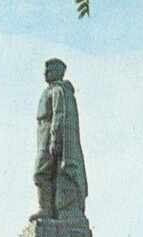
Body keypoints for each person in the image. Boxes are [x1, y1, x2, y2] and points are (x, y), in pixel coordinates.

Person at [31, 58, 88, 221]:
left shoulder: (58, 90)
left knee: (40, 173)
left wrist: (55, 139)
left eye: (49, 70)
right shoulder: (49, 91)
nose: (45, 73)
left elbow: (60, 115)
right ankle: (46, 208)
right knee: (44, 173)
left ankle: (46, 208)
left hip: (49, 138)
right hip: (42, 137)